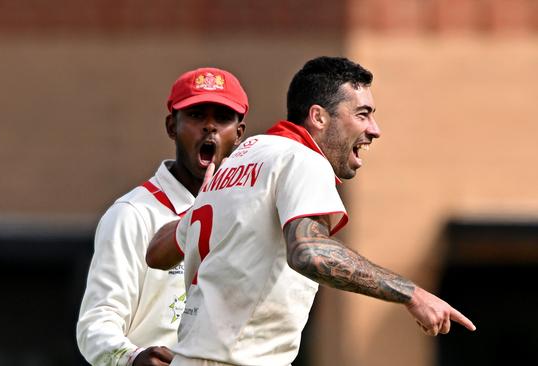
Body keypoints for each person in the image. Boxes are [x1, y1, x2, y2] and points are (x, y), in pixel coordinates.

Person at [146, 56, 476, 366]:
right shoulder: (303, 159)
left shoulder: (240, 160)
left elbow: (157, 252)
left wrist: (206, 202)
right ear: (318, 117)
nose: (375, 129)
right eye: (362, 114)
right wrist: (412, 294)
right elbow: (310, 253)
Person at [76, 67, 247, 366]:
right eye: (195, 115)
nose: (210, 127)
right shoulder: (132, 214)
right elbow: (95, 325)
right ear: (172, 126)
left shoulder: (244, 214)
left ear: (239, 134)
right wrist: (133, 358)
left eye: (222, 117)